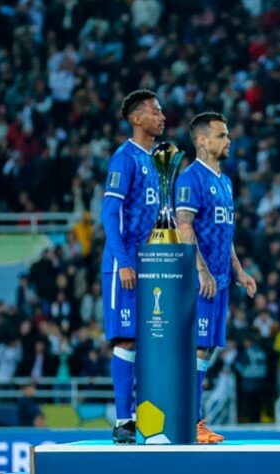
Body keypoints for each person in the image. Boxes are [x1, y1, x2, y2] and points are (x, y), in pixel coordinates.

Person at [175, 112, 257, 443]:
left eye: (228, 135)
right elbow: (184, 225)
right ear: (202, 141)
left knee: (206, 350)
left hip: (221, 278)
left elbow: (226, 231)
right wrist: (201, 269)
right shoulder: (190, 179)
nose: (228, 141)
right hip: (202, 281)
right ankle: (191, 422)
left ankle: (192, 419)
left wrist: (239, 271)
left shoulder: (224, 180)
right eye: (222, 136)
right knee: (197, 349)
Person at [100, 89, 164, 443]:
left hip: (151, 263)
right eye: (155, 112)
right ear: (136, 119)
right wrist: (123, 261)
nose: (162, 117)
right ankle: (124, 421)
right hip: (123, 265)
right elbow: (109, 212)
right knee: (126, 339)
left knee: (149, 340)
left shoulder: (157, 159)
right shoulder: (124, 158)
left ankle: (148, 418)